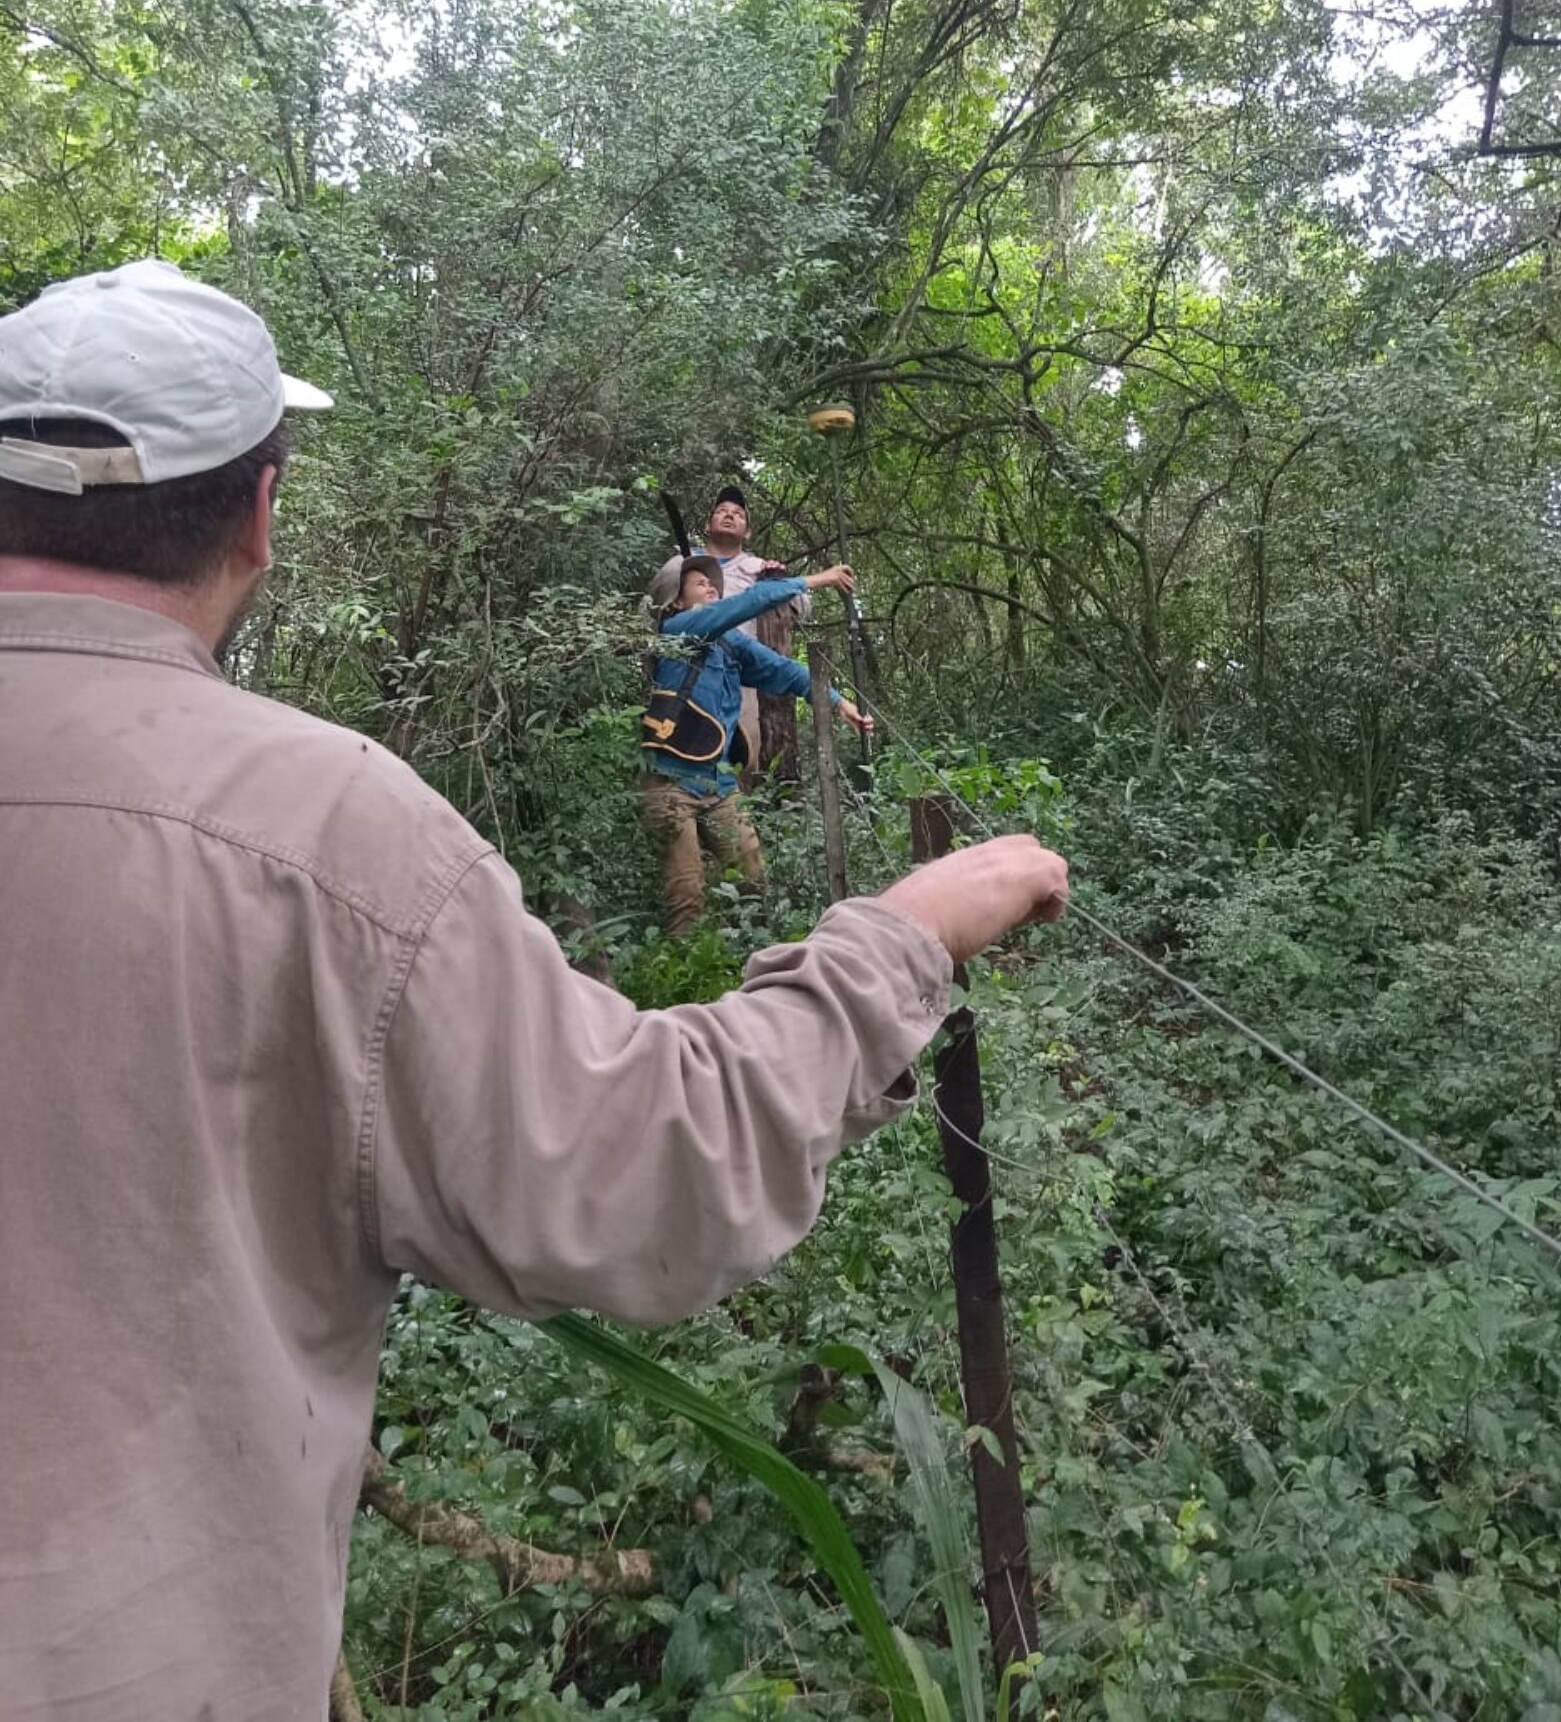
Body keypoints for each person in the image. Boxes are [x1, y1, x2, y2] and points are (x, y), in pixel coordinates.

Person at [0, 258, 1069, 1719]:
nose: (720, 576)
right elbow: (629, 1166)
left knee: (730, 865)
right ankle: (694, 950)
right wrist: (903, 935)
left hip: (714, 779)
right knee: (696, 879)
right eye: (714, 562)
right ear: (260, 512)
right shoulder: (335, 827)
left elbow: (765, 661)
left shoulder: (712, 639)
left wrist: (834, 688)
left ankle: (706, 944)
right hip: (147, 1675)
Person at [642, 551, 869, 934]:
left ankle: (747, 960)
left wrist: (836, 702)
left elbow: (784, 670)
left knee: (752, 879)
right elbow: (749, 601)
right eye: (700, 584)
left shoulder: (729, 644)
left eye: (715, 583)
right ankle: (686, 984)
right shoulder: (677, 630)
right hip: (669, 784)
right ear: (677, 602)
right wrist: (815, 580)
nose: (712, 587)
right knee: (687, 899)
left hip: (718, 785)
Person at [660, 484, 809, 778]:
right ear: (708, 524)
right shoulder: (683, 564)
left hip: (736, 674)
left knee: (741, 758)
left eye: (738, 514)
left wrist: (776, 578)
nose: (729, 516)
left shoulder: (756, 567)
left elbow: (801, 607)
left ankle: (730, 815)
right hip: (681, 672)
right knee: (675, 754)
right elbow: (657, 606)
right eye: (721, 512)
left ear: (748, 531)